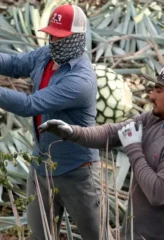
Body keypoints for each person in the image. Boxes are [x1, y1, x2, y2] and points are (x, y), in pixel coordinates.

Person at [0, 3, 103, 240]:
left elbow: (29, 105)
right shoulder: (46, 55)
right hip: (41, 166)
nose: (54, 41)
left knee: (95, 236)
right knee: (40, 236)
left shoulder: (80, 81)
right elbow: (16, 65)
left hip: (76, 174)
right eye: (51, 35)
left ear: (78, 38)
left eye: (61, 37)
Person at [38, 67, 164, 240]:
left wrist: (133, 148)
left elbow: (157, 193)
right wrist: (73, 133)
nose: (151, 96)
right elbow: (113, 133)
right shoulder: (153, 119)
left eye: (158, 91)